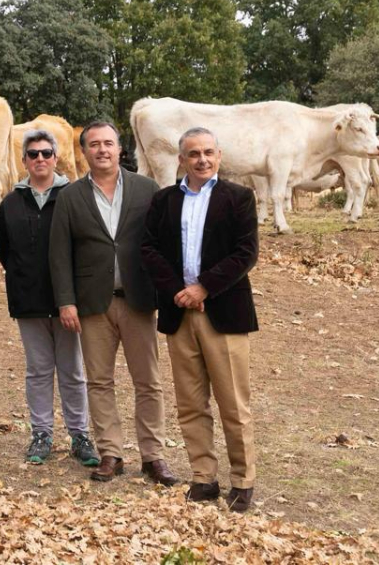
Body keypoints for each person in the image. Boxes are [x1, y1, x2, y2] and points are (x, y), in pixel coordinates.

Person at [48, 121, 179, 486]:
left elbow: (164, 243)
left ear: (120, 149)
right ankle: (110, 453)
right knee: (99, 381)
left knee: (148, 382)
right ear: (84, 151)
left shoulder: (146, 189)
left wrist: (165, 290)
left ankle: (153, 456)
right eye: (93, 145)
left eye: (108, 143)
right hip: (92, 304)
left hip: (138, 299)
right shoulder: (71, 196)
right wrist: (65, 302)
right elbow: (59, 254)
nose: (102, 150)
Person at [142, 127, 259, 512]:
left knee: (232, 403)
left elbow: (245, 253)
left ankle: (242, 481)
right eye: (193, 154)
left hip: (221, 311)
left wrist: (203, 288)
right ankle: (203, 478)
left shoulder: (239, 198)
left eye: (208, 152)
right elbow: (149, 249)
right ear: (181, 160)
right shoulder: (163, 201)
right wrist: (179, 289)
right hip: (179, 312)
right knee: (190, 403)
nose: (202, 159)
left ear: (219, 156)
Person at [0, 130, 99, 468]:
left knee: (72, 370)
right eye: (32, 154)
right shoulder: (11, 202)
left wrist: (73, 296)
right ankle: (41, 432)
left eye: (46, 153)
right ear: (25, 161)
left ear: (56, 158)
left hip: (68, 301)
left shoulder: (74, 196)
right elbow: (5, 250)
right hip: (28, 300)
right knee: (38, 370)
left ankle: (79, 434)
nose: (40, 159)